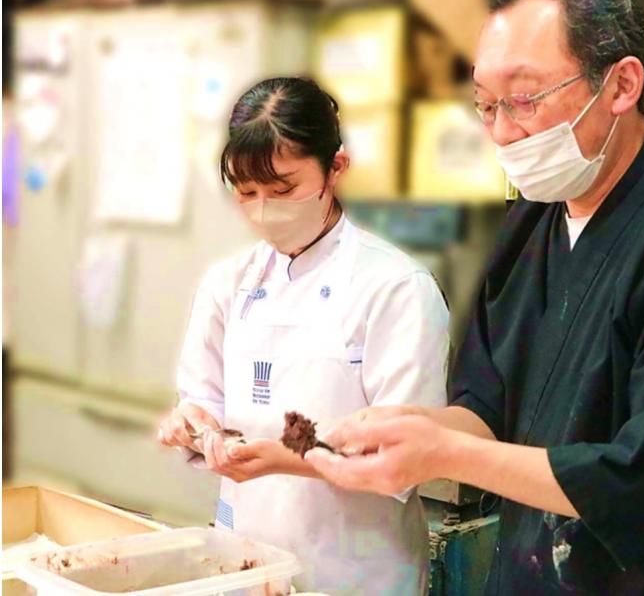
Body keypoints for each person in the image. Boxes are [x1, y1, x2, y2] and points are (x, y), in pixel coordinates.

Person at [304, 0, 644, 594]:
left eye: (525, 98)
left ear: (621, 84)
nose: (502, 131)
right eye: (486, 103)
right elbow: (489, 404)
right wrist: (413, 429)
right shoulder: (530, 227)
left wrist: (444, 453)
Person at [157, 77, 449, 595]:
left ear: (335, 168)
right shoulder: (228, 284)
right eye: (247, 192)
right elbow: (203, 398)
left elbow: (406, 458)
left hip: (355, 570)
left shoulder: (395, 288)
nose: (264, 208)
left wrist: (288, 460)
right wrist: (195, 424)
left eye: (283, 188)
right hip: (244, 560)